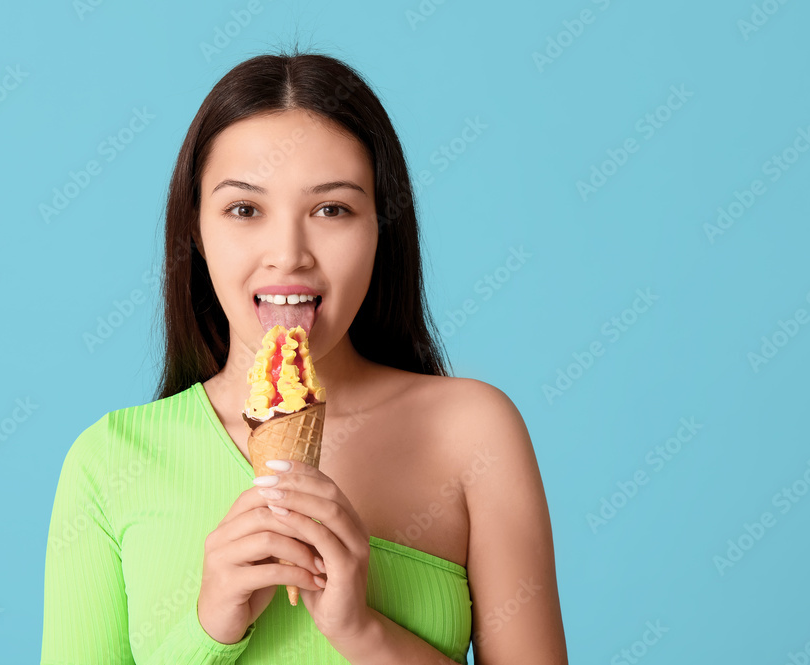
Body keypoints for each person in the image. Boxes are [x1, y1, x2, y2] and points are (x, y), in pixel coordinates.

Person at [40, 47, 568, 664]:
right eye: (244, 209)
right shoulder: (109, 462)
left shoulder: (473, 431)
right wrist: (210, 630)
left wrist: (362, 630)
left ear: (381, 227)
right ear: (196, 231)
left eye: (332, 209)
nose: (287, 253)